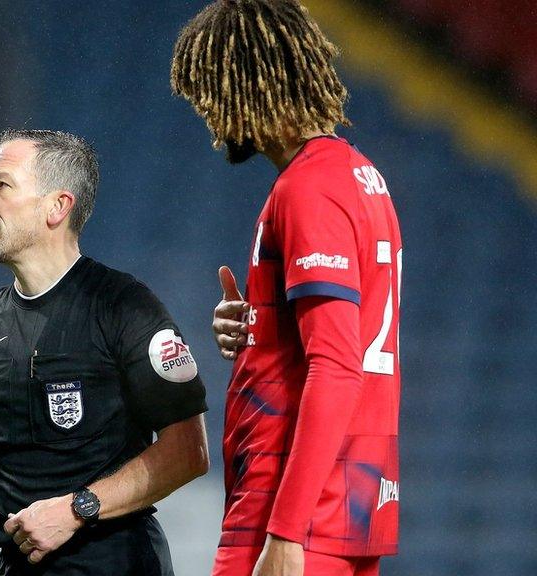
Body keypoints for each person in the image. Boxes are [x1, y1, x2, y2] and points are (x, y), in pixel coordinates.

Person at [0, 129, 210, 575]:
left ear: (57, 206)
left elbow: (188, 451)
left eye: (0, 185)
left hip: (118, 563)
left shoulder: (123, 305)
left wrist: (75, 510)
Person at [170, 2, 403, 575]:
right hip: (351, 498)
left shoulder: (308, 190)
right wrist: (259, 327)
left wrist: (285, 532)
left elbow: (337, 364)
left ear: (248, 82)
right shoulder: (358, 177)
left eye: (212, 91)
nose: (209, 114)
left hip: (296, 508)